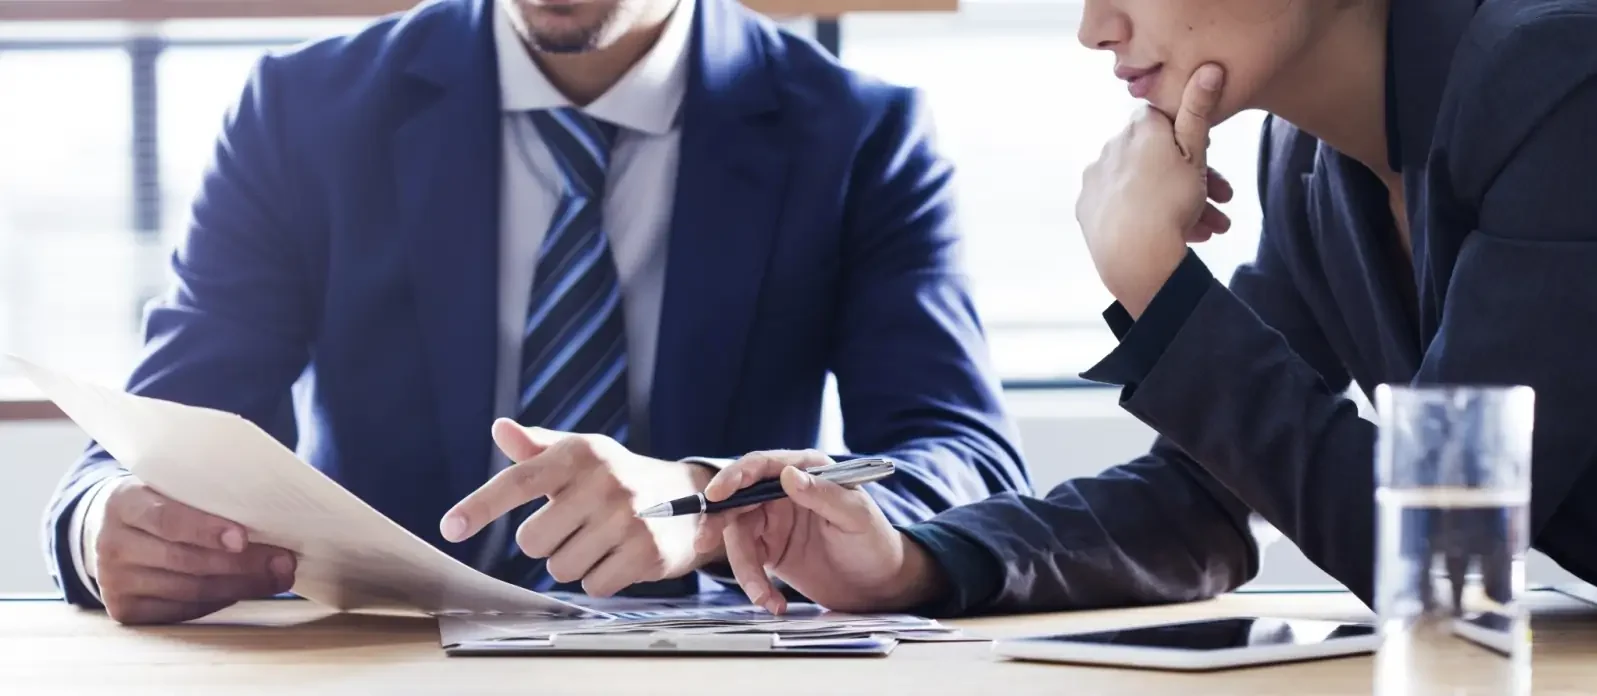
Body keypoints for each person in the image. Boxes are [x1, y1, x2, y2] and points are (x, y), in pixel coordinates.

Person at [42, 0, 1031, 625]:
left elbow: (966, 464)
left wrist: (711, 506)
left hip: (709, 658)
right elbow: (166, 422)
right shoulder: (302, 109)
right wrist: (101, 528)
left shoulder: (860, 133)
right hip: (378, 661)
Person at [700, 0, 1597, 616]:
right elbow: (1204, 497)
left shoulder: (1560, 78)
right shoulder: (1307, 162)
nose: (1093, 27)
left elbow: (1442, 557)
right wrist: (910, 561)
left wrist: (1158, 286)